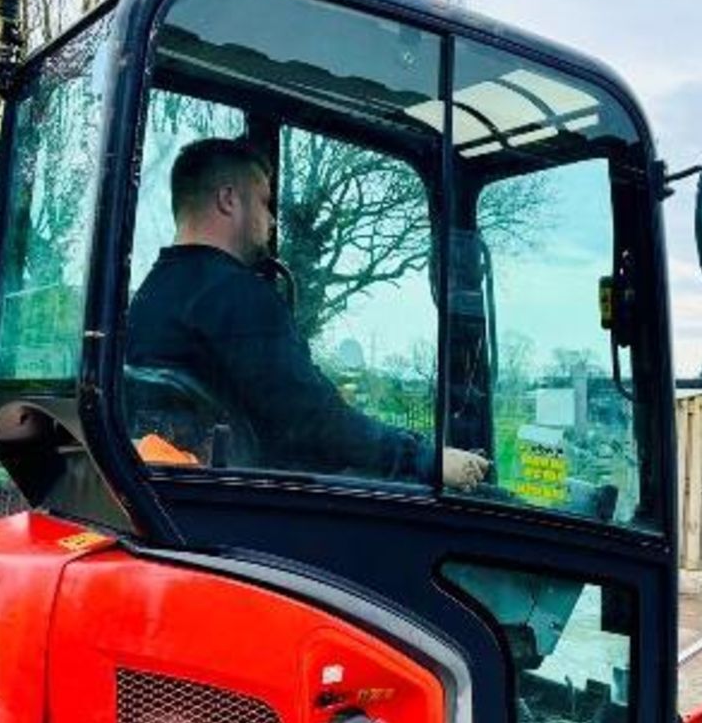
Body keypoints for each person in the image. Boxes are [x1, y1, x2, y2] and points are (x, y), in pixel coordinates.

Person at [126, 137, 488, 488]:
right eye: (265, 203)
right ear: (228, 200)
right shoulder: (238, 298)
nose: (271, 222)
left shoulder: (149, 297)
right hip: (257, 513)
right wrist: (423, 458)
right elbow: (315, 422)